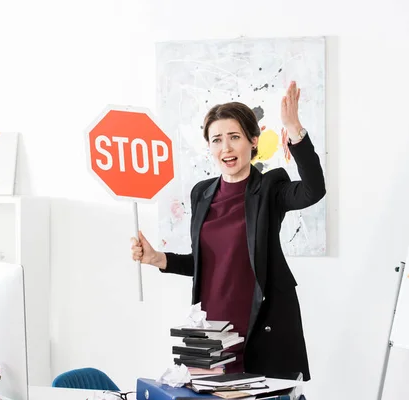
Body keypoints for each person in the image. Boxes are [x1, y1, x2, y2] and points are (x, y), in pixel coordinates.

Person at [130, 81, 325, 381]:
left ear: (253, 141)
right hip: (212, 334)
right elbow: (204, 262)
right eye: (217, 139)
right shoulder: (202, 193)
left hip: (261, 328)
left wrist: (294, 128)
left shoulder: (270, 188)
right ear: (209, 146)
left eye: (235, 137)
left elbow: (314, 190)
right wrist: (158, 258)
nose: (226, 148)